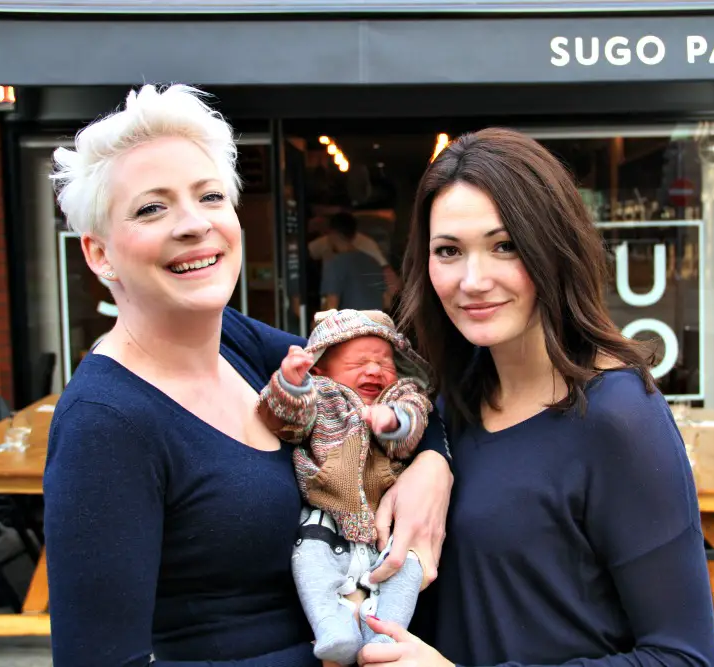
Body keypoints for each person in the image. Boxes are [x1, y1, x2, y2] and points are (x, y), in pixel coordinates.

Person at [42, 84, 453, 667]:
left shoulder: (236, 340)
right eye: (151, 208)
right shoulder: (106, 424)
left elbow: (390, 388)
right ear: (100, 254)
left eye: (210, 196)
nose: (193, 224)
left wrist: (433, 465)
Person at [359, 128, 714, 667]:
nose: (473, 279)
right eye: (449, 251)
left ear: (554, 246)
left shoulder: (618, 417)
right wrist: (434, 455)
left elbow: (684, 658)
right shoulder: (454, 393)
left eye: (504, 246)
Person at [260, 307, 432, 664]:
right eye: (358, 363)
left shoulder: (401, 395)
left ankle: (384, 634)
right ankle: (331, 626)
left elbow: (415, 421)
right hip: (327, 514)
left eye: (384, 362)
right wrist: (292, 384)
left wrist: (395, 420)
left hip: (386, 524)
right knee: (309, 561)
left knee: (408, 569)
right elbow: (287, 423)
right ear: (322, 368)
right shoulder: (320, 396)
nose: (374, 370)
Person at [320, 212, 395, 312]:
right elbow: (387, 301)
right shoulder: (374, 262)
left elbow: (331, 308)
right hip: (376, 325)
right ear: (354, 235)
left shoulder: (334, 263)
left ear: (332, 233)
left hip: (350, 326)